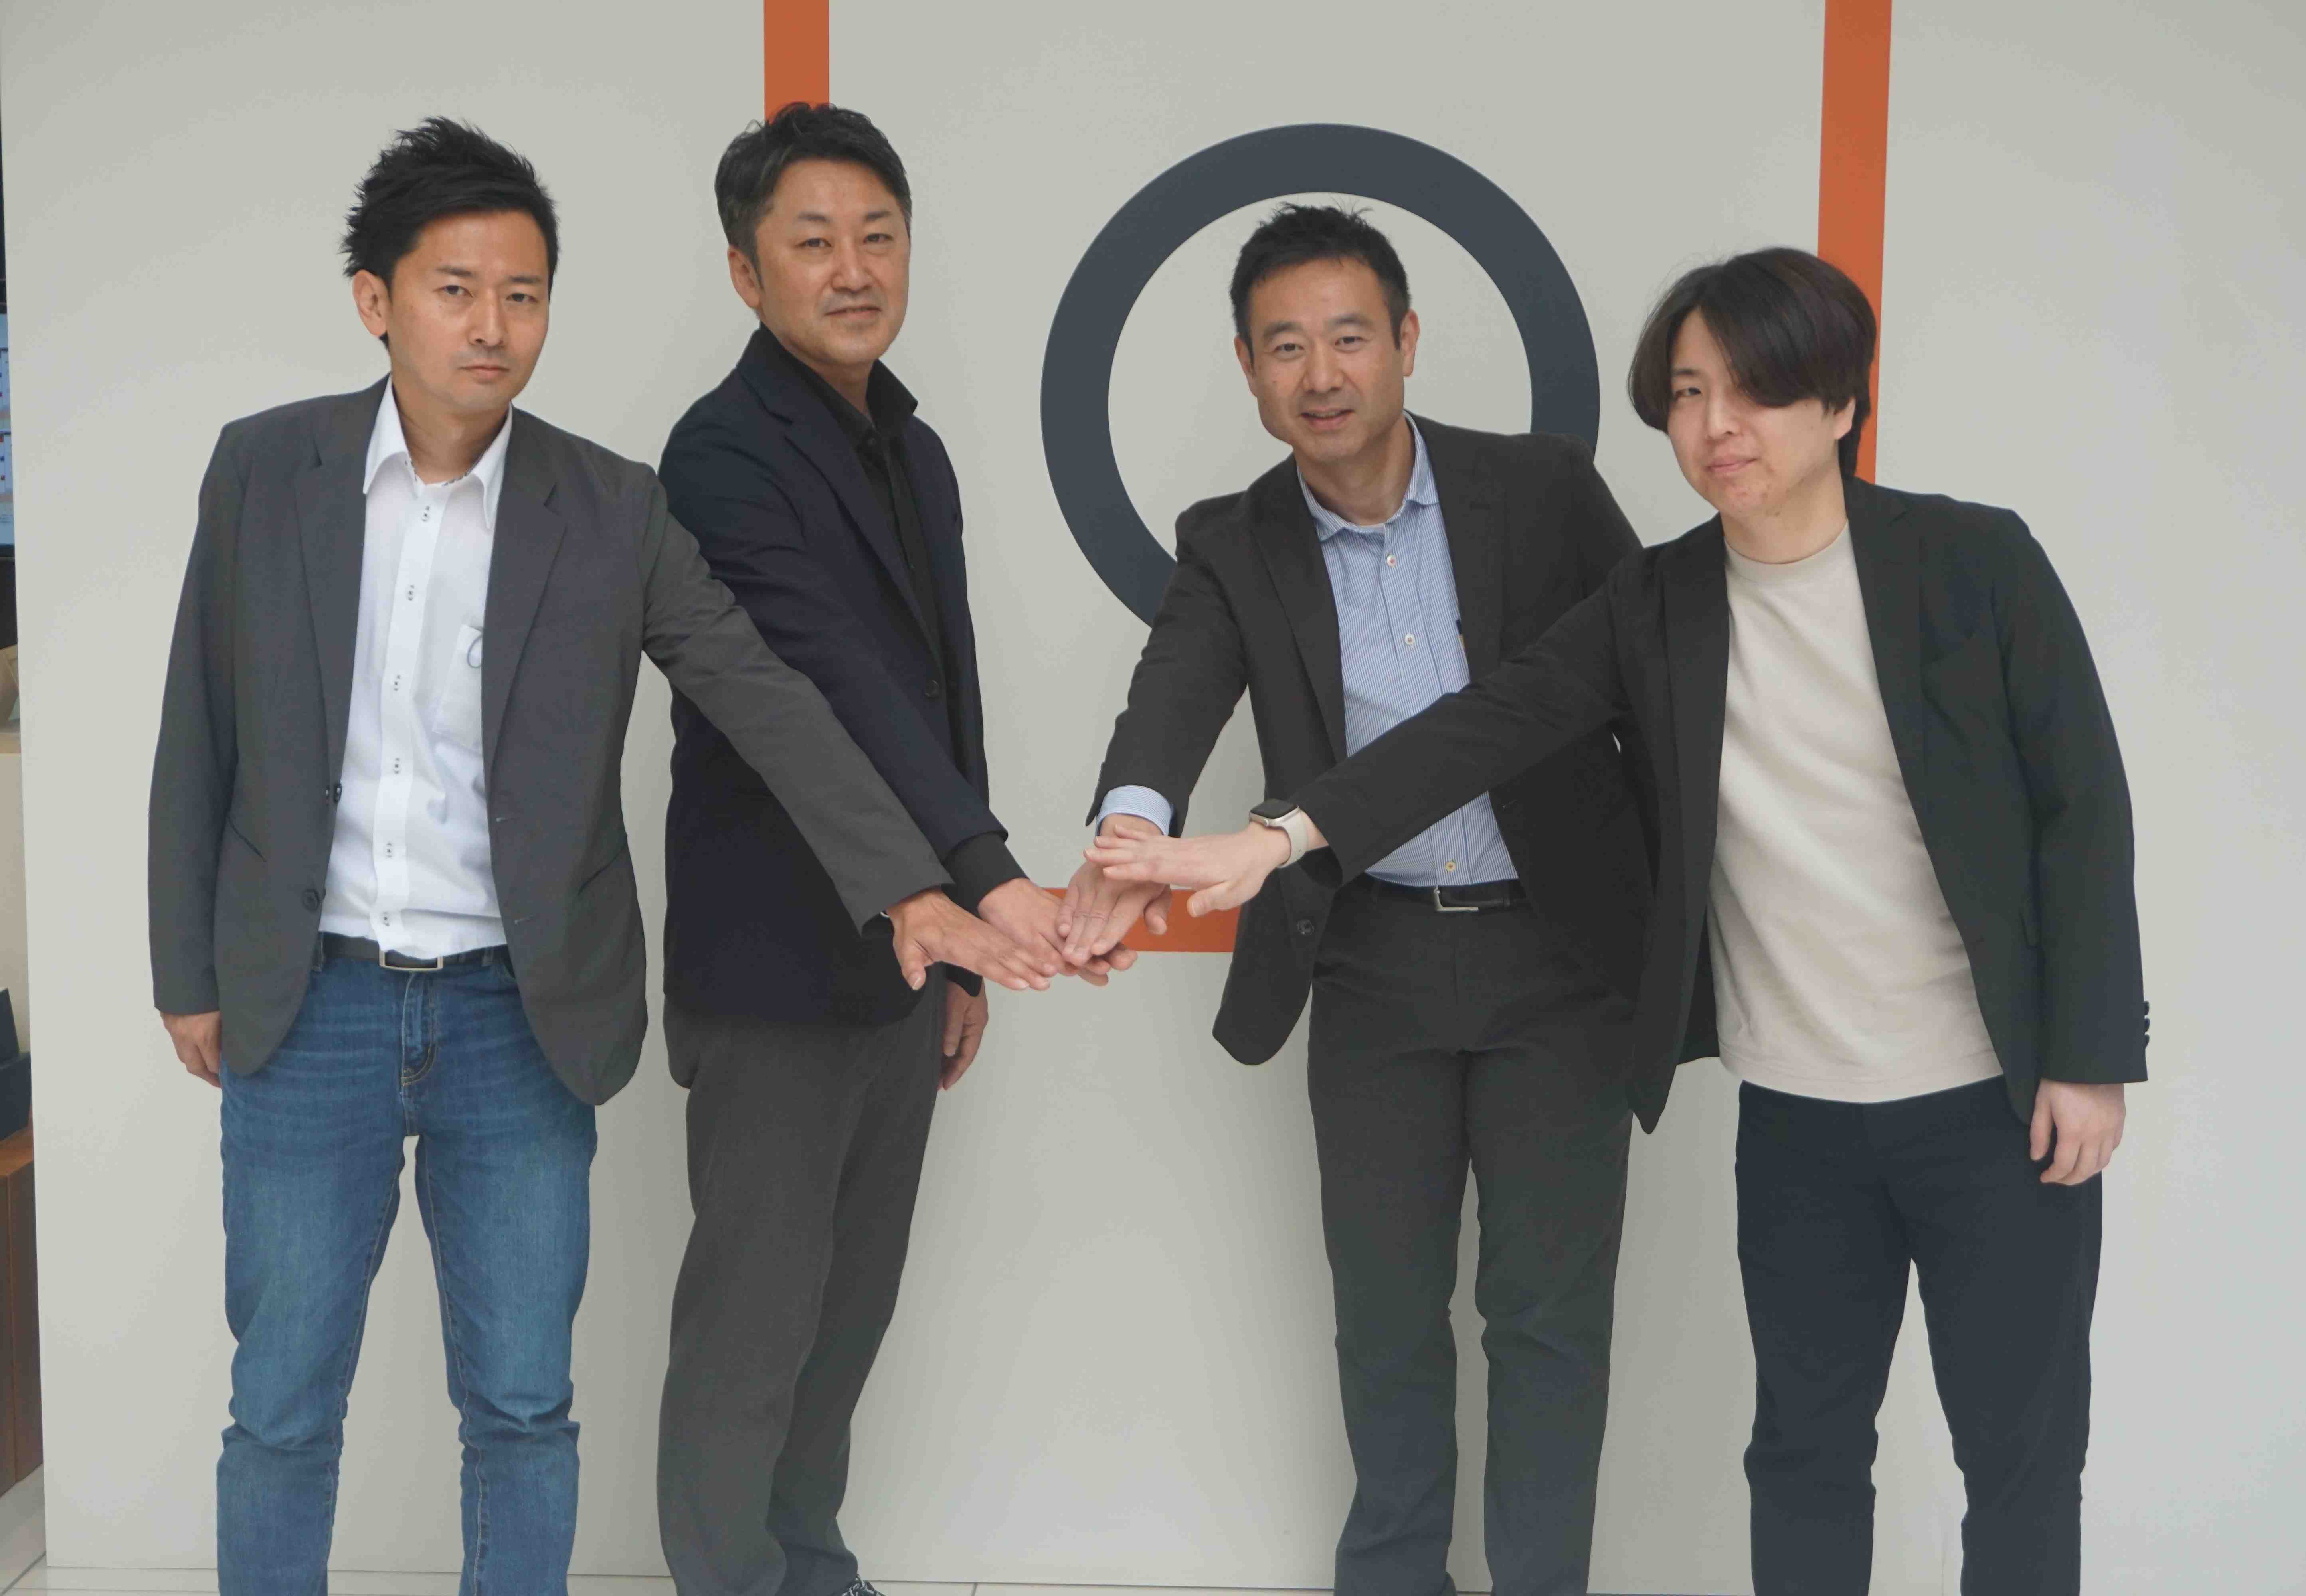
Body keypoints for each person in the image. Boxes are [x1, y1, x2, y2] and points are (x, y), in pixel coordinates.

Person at [1091, 246, 2146, 1596]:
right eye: (1692, 394)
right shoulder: (1660, 599)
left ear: (1841, 403)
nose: (1718, 427)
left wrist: (2089, 1054)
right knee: (1803, 1453)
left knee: (2018, 1458)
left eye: (1757, 392)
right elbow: (1481, 726)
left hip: (1991, 1095)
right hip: (1795, 1106)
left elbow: (2082, 810)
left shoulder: (1973, 561)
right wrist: (1277, 835)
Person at [146, 117, 1048, 1596]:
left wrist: (916, 889)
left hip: (521, 1013)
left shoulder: (613, 506)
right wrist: (187, 968)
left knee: (521, 1409)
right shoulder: (264, 470)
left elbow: (766, 694)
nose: (493, 326)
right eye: (456, 291)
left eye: (524, 294)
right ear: (376, 300)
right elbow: (203, 723)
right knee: (284, 1407)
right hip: (309, 1002)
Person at [1060, 204, 1653, 1596]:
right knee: (1386, 1322)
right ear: (1248, 369)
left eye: (1348, 337)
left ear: (1406, 342)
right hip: (1372, 961)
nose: (1321, 375)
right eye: (1285, 347)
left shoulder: (1544, 492)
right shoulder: (1235, 542)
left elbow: (1649, 679)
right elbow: (1173, 696)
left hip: (1560, 955)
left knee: (1548, 1323)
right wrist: (1128, 834)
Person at [649, 102, 1119, 1596]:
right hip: (775, 972)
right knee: (752, 1331)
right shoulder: (721, 454)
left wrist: (964, 949)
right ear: (747, 274)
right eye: (813, 242)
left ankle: (809, 1566)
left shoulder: (913, 451)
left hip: (910, 973)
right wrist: (985, 875)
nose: (853, 270)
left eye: (878, 236)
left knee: (846, 1319)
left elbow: (938, 696)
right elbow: (828, 677)